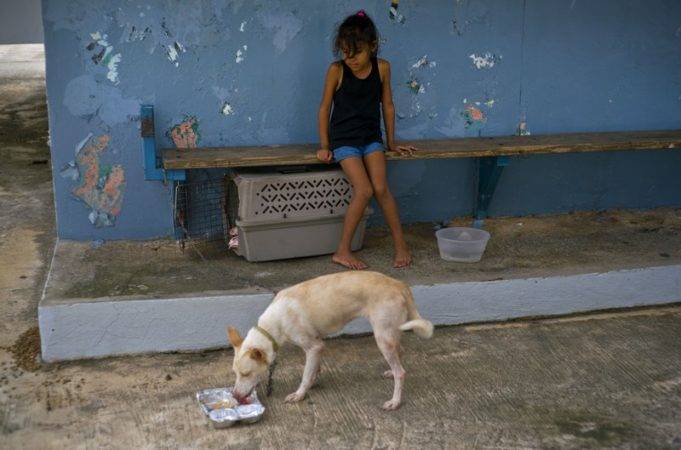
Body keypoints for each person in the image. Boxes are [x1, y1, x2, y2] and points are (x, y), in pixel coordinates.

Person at [317, 10, 416, 270]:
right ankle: (342, 250)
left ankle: (401, 245)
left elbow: (388, 106)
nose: (351, 59)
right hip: (344, 141)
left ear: (372, 46)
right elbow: (324, 108)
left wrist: (392, 143)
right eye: (345, 53)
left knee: (382, 189)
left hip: (371, 138)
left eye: (357, 53)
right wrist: (325, 146)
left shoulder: (382, 68)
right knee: (365, 190)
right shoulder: (336, 71)